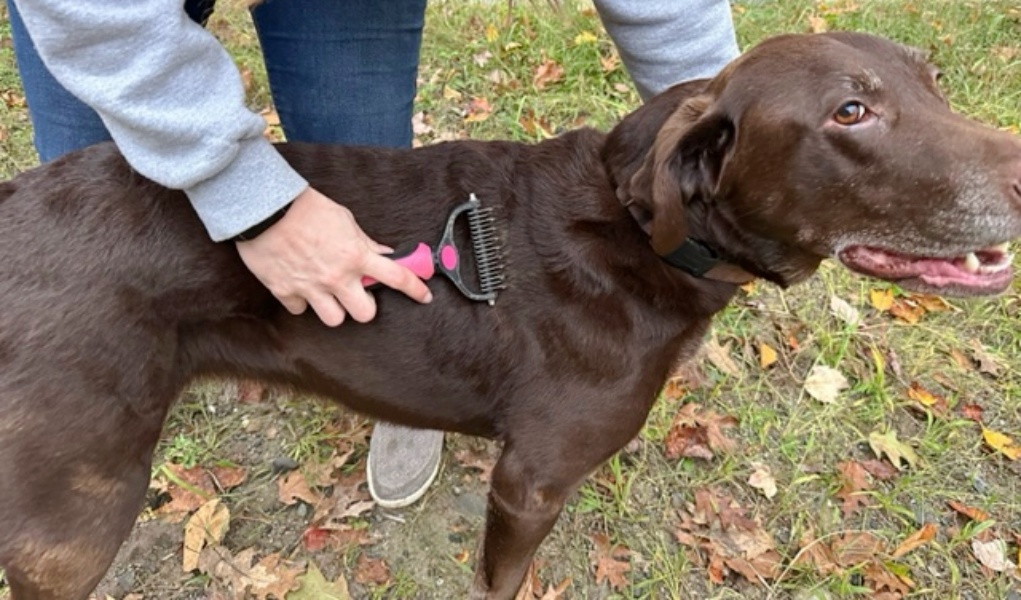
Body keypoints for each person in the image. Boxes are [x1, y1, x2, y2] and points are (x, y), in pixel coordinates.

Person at [6, 0, 737, 508]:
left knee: (368, 193)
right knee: (101, 221)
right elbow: (94, 14)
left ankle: (402, 389)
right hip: (101, 13)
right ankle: (104, 380)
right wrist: (252, 201)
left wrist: (736, 109)